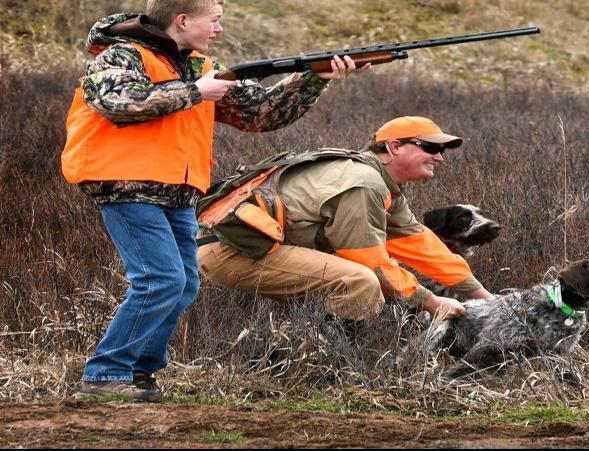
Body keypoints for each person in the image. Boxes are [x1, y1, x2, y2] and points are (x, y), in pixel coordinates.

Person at [61, 0, 365, 401]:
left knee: (184, 284)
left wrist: (314, 78)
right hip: (127, 186)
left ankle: (137, 372)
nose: (219, 30)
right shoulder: (121, 55)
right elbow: (117, 102)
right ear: (183, 20)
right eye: (215, 21)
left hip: (179, 191)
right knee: (161, 280)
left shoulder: (200, 66)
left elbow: (260, 113)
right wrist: (196, 92)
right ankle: (104, 374)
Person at [196, 115, 494, 335]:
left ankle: (295, 350)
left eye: (442, 151)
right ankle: (319, 367)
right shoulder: (364, 184)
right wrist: (429, 301)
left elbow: (420, 244)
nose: (438, 157)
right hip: (231, 251)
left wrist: (486, 298)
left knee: (365, 280)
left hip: (251, 246)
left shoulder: (382, 185)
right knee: (360, 282)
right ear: (394, 147)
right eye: (430, 147)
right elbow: (368, 259)